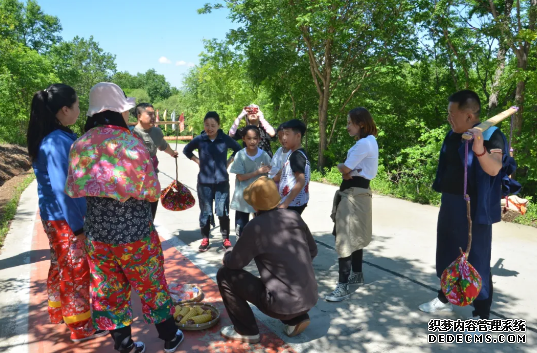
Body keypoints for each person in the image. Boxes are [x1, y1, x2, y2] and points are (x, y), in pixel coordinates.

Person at [66, 82, 183, 353]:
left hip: (97, 234)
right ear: (118, 111)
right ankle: (169, 337)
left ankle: (125, 344)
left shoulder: (79, 145)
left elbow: (73, 189)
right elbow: (153, 192)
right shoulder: (131, 143)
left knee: (108, 290)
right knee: (151, 284)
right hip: (135, 234)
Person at [27, 84, 107, 343]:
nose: (79, 110)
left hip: (56, 216)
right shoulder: (56, 142)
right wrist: (79, 228)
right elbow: (66, 189)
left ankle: (59, 311)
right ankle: (81, 326)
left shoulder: (55, 136)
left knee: (61, 265)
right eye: (77, 106)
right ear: (64, 109)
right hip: (65, 219)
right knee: (76, 270)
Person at [419, 90, 508, 320]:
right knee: (447, 253)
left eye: (452, 114)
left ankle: (482, 314)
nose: (449, 118)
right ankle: (444, 298)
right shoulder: (453, 134)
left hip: (475, 208)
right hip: (450, 203)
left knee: (476, 257)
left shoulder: (491, 135)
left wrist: (479, 149)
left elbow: (495, 167)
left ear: (469, 116)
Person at [217, 176, 318, 343]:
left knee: (225, 275)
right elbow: (312, 250)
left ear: (255, 205)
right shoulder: (294, 216)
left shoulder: (255, 226)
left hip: (280, 304)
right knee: (279, 282)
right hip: (309, 298)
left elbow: (235, 263)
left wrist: (228, 253)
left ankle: (246, 330)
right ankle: (296, 319)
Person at [325, 108, 379, 302]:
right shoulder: (371, 141)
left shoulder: (364, 143)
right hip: (361, 193)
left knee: (345, 239)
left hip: (352, 194)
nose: (347, 127)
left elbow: (346, 168)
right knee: (355, 236)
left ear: (361, 124)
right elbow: (349, 170)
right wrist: (345, 170)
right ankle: (357, 274)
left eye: (350, 123)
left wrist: (342, 167)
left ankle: (343, 285)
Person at [183, 111, 242, 252]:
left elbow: (238, 149)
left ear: (218, 125)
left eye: (213, 125)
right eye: (207, 125)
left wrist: (228, 162)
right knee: (205, 212)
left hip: (222, 181)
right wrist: (198, 161)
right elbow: (187, 150)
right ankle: (205, 239)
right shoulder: (200, 139)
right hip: (204, 182)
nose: (209, 128)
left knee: (223, 211)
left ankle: (225, 239)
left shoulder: (224, 139)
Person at [132, 103, 179, 220]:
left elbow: (163, 145)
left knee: (152, 212)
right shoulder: (131, 134)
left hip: (152, 179)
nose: (153, 117)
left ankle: (150, 233)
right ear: (139, 116)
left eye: (154, 114)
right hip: (135, 181)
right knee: (136, 214)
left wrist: (172, 153)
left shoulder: (157, 132)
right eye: (149, 114)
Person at [229, 126, 272, 237]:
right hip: (243, 198)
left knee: (260, 228)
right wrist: (258, 171)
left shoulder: (264, 155)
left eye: (255, 138)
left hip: (259, 197)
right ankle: (241, 251)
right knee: (241, 228)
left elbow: (271, 173)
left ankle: (259, 250)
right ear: (243, 139)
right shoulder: (240, 155)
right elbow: (240, 177)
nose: (252, 141)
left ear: (259, 139)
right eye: (249, 138)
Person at [274, 119, 311, 215]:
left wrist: (285, 204)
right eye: (283, 134)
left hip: (293, 204)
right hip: (294, 203)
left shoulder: (296, 156)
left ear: (298, 136)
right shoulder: (294, 153)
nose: (284, 138)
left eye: (287, 134)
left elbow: (301, 180)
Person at [268, 124, 291, 189]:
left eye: (286, 135)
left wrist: (279, 173)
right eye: (279, 137)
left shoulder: (294, 153)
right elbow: (271, 168)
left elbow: (289, 173)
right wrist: (280, 171)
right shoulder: (279, 150)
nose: (283, 139)